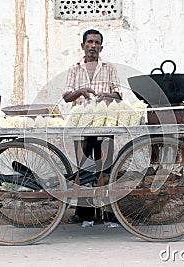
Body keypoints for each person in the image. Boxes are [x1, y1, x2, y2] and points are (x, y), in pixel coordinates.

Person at [63, 29, 121, 223]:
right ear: (83, 46)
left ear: (101, 47)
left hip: (104, 127)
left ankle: (108, 213)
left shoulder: (109, 68)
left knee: (105, 167)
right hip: (81, 127)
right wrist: (80, 91)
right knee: (84, 168)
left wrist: (106, 96)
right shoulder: (74, 69)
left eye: (97, 43)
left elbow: (119, 95)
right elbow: (66, 97)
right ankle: (84, 213)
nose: (93, 46)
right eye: (90, 42)